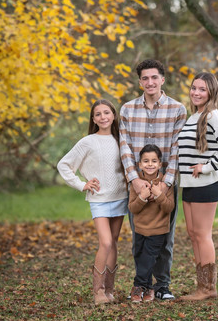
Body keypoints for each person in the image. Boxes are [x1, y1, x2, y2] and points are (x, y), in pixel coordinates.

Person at [119, 59, 187, 300]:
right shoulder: (127, 109)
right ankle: (143, 285)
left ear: (162, 80)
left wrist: (165, 184)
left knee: (165, 238)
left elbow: (177, 149)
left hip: (165, 184)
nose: (150, 82)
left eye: (154, 77)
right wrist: (135, 181)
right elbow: (124, 147)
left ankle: (162, 287)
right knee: (139, 237)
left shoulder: (177, 109)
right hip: (137, 185)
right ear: (140, 82)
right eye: (145, 78)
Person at [57, 99, 128, 305]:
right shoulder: (88, 141)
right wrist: (82, 184)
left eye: (107, 112)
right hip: (99, 199)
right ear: (93, 119)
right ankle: (98, 291)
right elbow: (64, 165)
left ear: (114, 115)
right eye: (98, 114)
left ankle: (110, 290)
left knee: (114, 243)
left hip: (120, 196)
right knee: (105, 242)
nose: (103, 117)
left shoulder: (120, 139)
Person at [177, 72, 218, 301]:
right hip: (189, 184)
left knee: (202, 235)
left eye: (202, 89)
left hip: (207, 183)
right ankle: (201, 286)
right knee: (193, 234)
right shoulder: (195, 116)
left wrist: (207, 167)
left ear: (211, 92)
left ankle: (208, 288)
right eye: (194, 88)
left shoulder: (213, 116)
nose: (196, 93)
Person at [128, 144, 175, 303]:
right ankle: (148, 288)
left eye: (154, 161)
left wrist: (158, 195)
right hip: (140, 228)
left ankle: (137, 286)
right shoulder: (137, 184)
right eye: (146, 161)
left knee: (148, 258)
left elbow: (169, 207)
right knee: (141, 257)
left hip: (158, 229)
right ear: (139, 164)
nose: (150, 164)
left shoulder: (165, 183)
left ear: (160, 164)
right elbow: (132, 208)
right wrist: (142, 197)